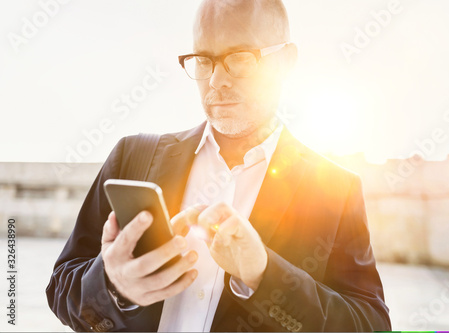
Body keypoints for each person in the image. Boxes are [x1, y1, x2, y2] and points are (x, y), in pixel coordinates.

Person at [46, 0, 391, 331]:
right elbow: (60, 290)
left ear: (285, 61)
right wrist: (112, 286)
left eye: (240, 58)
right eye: (203, 60)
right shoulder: (131, 157)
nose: (216, 81)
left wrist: (264, 275)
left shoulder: (336, 189)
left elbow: (370, 326)